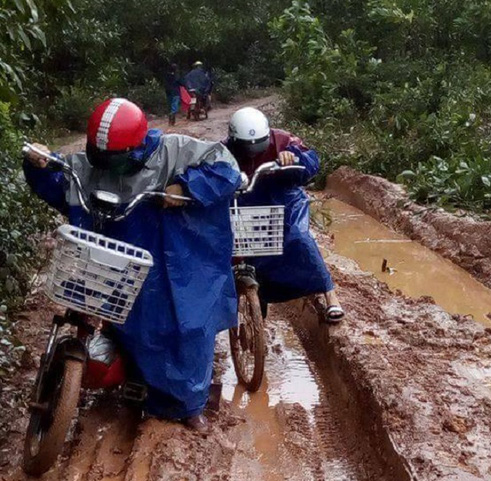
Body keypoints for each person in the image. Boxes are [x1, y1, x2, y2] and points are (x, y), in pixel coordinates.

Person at [23, 98, 242, 431]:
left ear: (138, 146)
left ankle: (186, 403)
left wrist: (185, 187)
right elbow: (62, 182)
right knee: (120, 318)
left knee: (184, 326)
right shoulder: (90, 164)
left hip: (168, 255)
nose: (108, 166)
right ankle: (122, 371)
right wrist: (38, 163)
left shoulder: (174, 151)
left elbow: (226, 169)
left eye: (117, 160)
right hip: (114, 254)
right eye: (101, 158)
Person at [224, 107, 344, 322]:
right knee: (241, 249)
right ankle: (252, 309)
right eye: (245, 146)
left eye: (258, 145)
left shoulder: (283, 140)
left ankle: (330, 295)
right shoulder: (224, 151)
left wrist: (293, 158)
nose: (252, 151)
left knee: (299, 239)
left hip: (284, 201)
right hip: (246, 203)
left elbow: (310, 161)